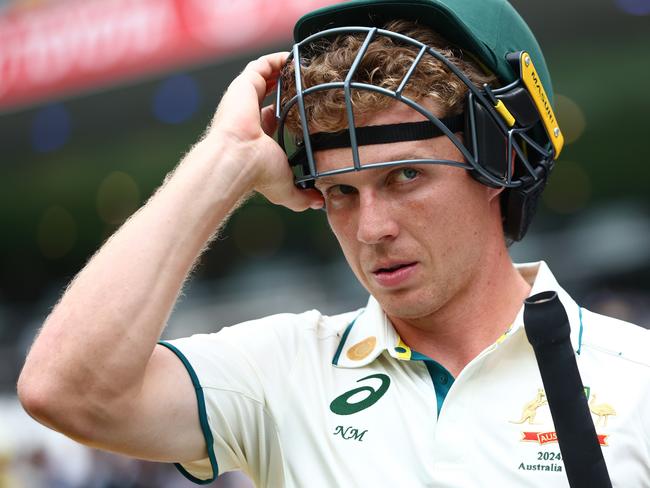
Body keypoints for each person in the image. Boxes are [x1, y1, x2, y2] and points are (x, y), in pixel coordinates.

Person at [17, 0, 650, 486]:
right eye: (340, 193)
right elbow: (62, 389)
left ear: (502, 164)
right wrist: (224, 161)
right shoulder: (282, 370)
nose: (371, 228)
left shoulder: (637, 378)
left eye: (405, 176)